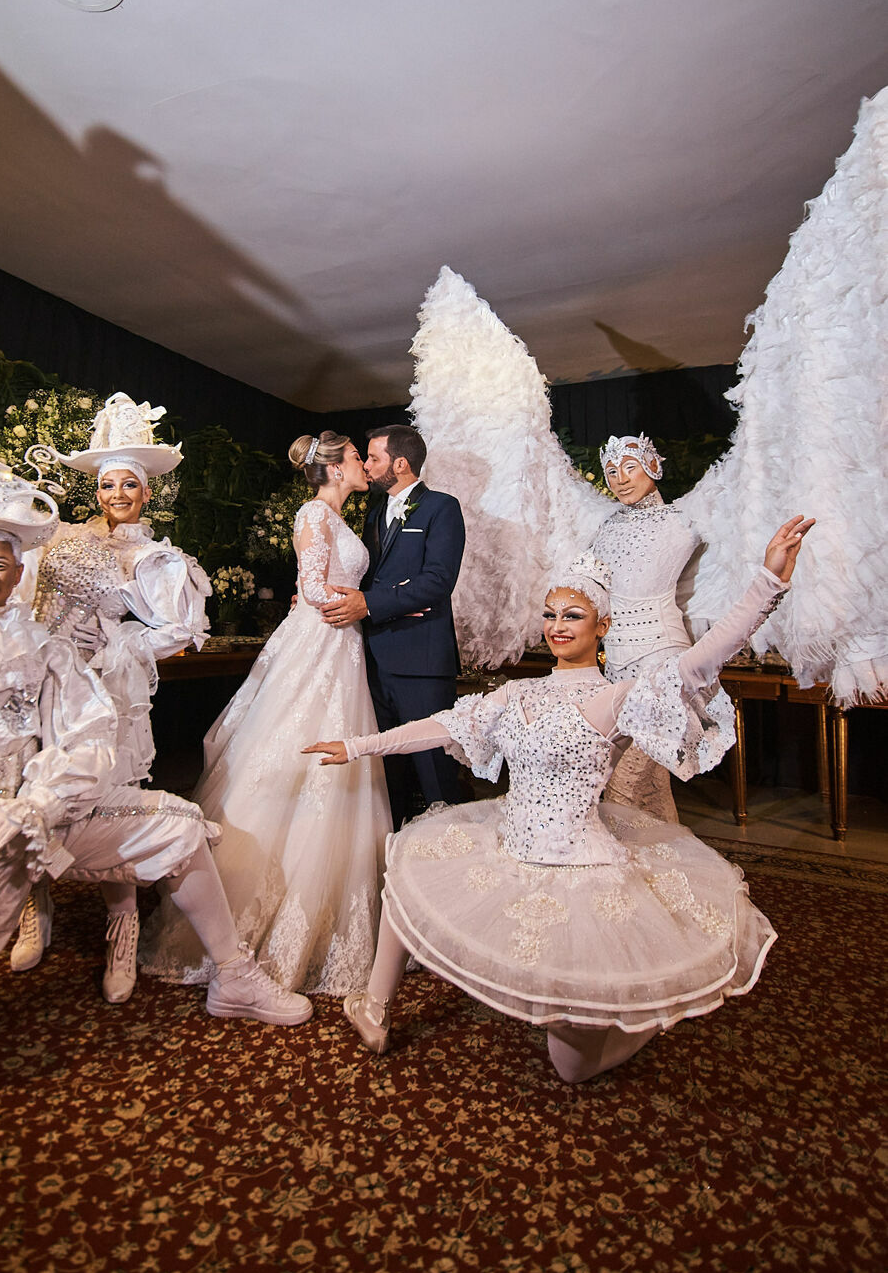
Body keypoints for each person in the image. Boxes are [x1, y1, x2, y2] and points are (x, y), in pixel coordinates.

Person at [0, 440, 311, 1052]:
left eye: (1, 566)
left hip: (43, 820)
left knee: (178, 829)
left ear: (20, 573)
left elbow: (89, 731)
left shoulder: (42, 648)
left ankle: (234, 976)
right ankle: (1, 932)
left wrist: (41, 801)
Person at [306, 516, 813, 1083]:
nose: (557, 626)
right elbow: (439, 726)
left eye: (572, 616)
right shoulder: (519, 693)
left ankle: (645, 1020)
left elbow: (701, 661)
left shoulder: (617, 697)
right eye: (550, 615)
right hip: (509, 840)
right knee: (410, 870)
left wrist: (768, 583)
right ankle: (373, 1007)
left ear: (603, 625)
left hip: (579, 865)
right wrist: (357, 745)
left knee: (570, 1068)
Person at [138, 431, 391, 995]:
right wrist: (356, 607)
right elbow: (310, 585)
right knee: (288, 752)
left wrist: (351, 606)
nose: (362, 465)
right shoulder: (313, 515)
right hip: (323, 640)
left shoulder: (342, 518)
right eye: (355, 457)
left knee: (336, 757)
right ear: (332, 468)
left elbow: (322, 585)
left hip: (339, 643)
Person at [8, 392, 212, 1001]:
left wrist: (118, 649)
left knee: (104, 802)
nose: (117, 495)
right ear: (95, 492)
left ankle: (121, 929)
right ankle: (33, 908)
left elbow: (181, 630)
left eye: (128, 485)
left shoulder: (156, 557)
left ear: (147, 492)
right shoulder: (62, 541)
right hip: (42, 692)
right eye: (107, 486)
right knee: (32, 793)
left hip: (103, 697)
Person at [321, 424, 467, 828]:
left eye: (374, 458)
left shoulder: (442, 507)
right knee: (388, 772)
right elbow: (363, 576)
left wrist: (370, 603)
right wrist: (319, 596)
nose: (366, 466)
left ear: (400, 463)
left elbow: (437, 581)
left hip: (420, 661)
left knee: (434, 767)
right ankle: (399, 853)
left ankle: (450, 852)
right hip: (371, 658)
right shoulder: (373, 513)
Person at [590, 433, 700, 823]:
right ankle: (669, 872)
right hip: (614, 669)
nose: (620, 479)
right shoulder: (604, 528)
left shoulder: (683, 521)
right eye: (612, 471)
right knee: (650, 791)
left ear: (653, 467)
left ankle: (631, 876)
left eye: (630, 468)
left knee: (623, 786)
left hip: (661, 664)